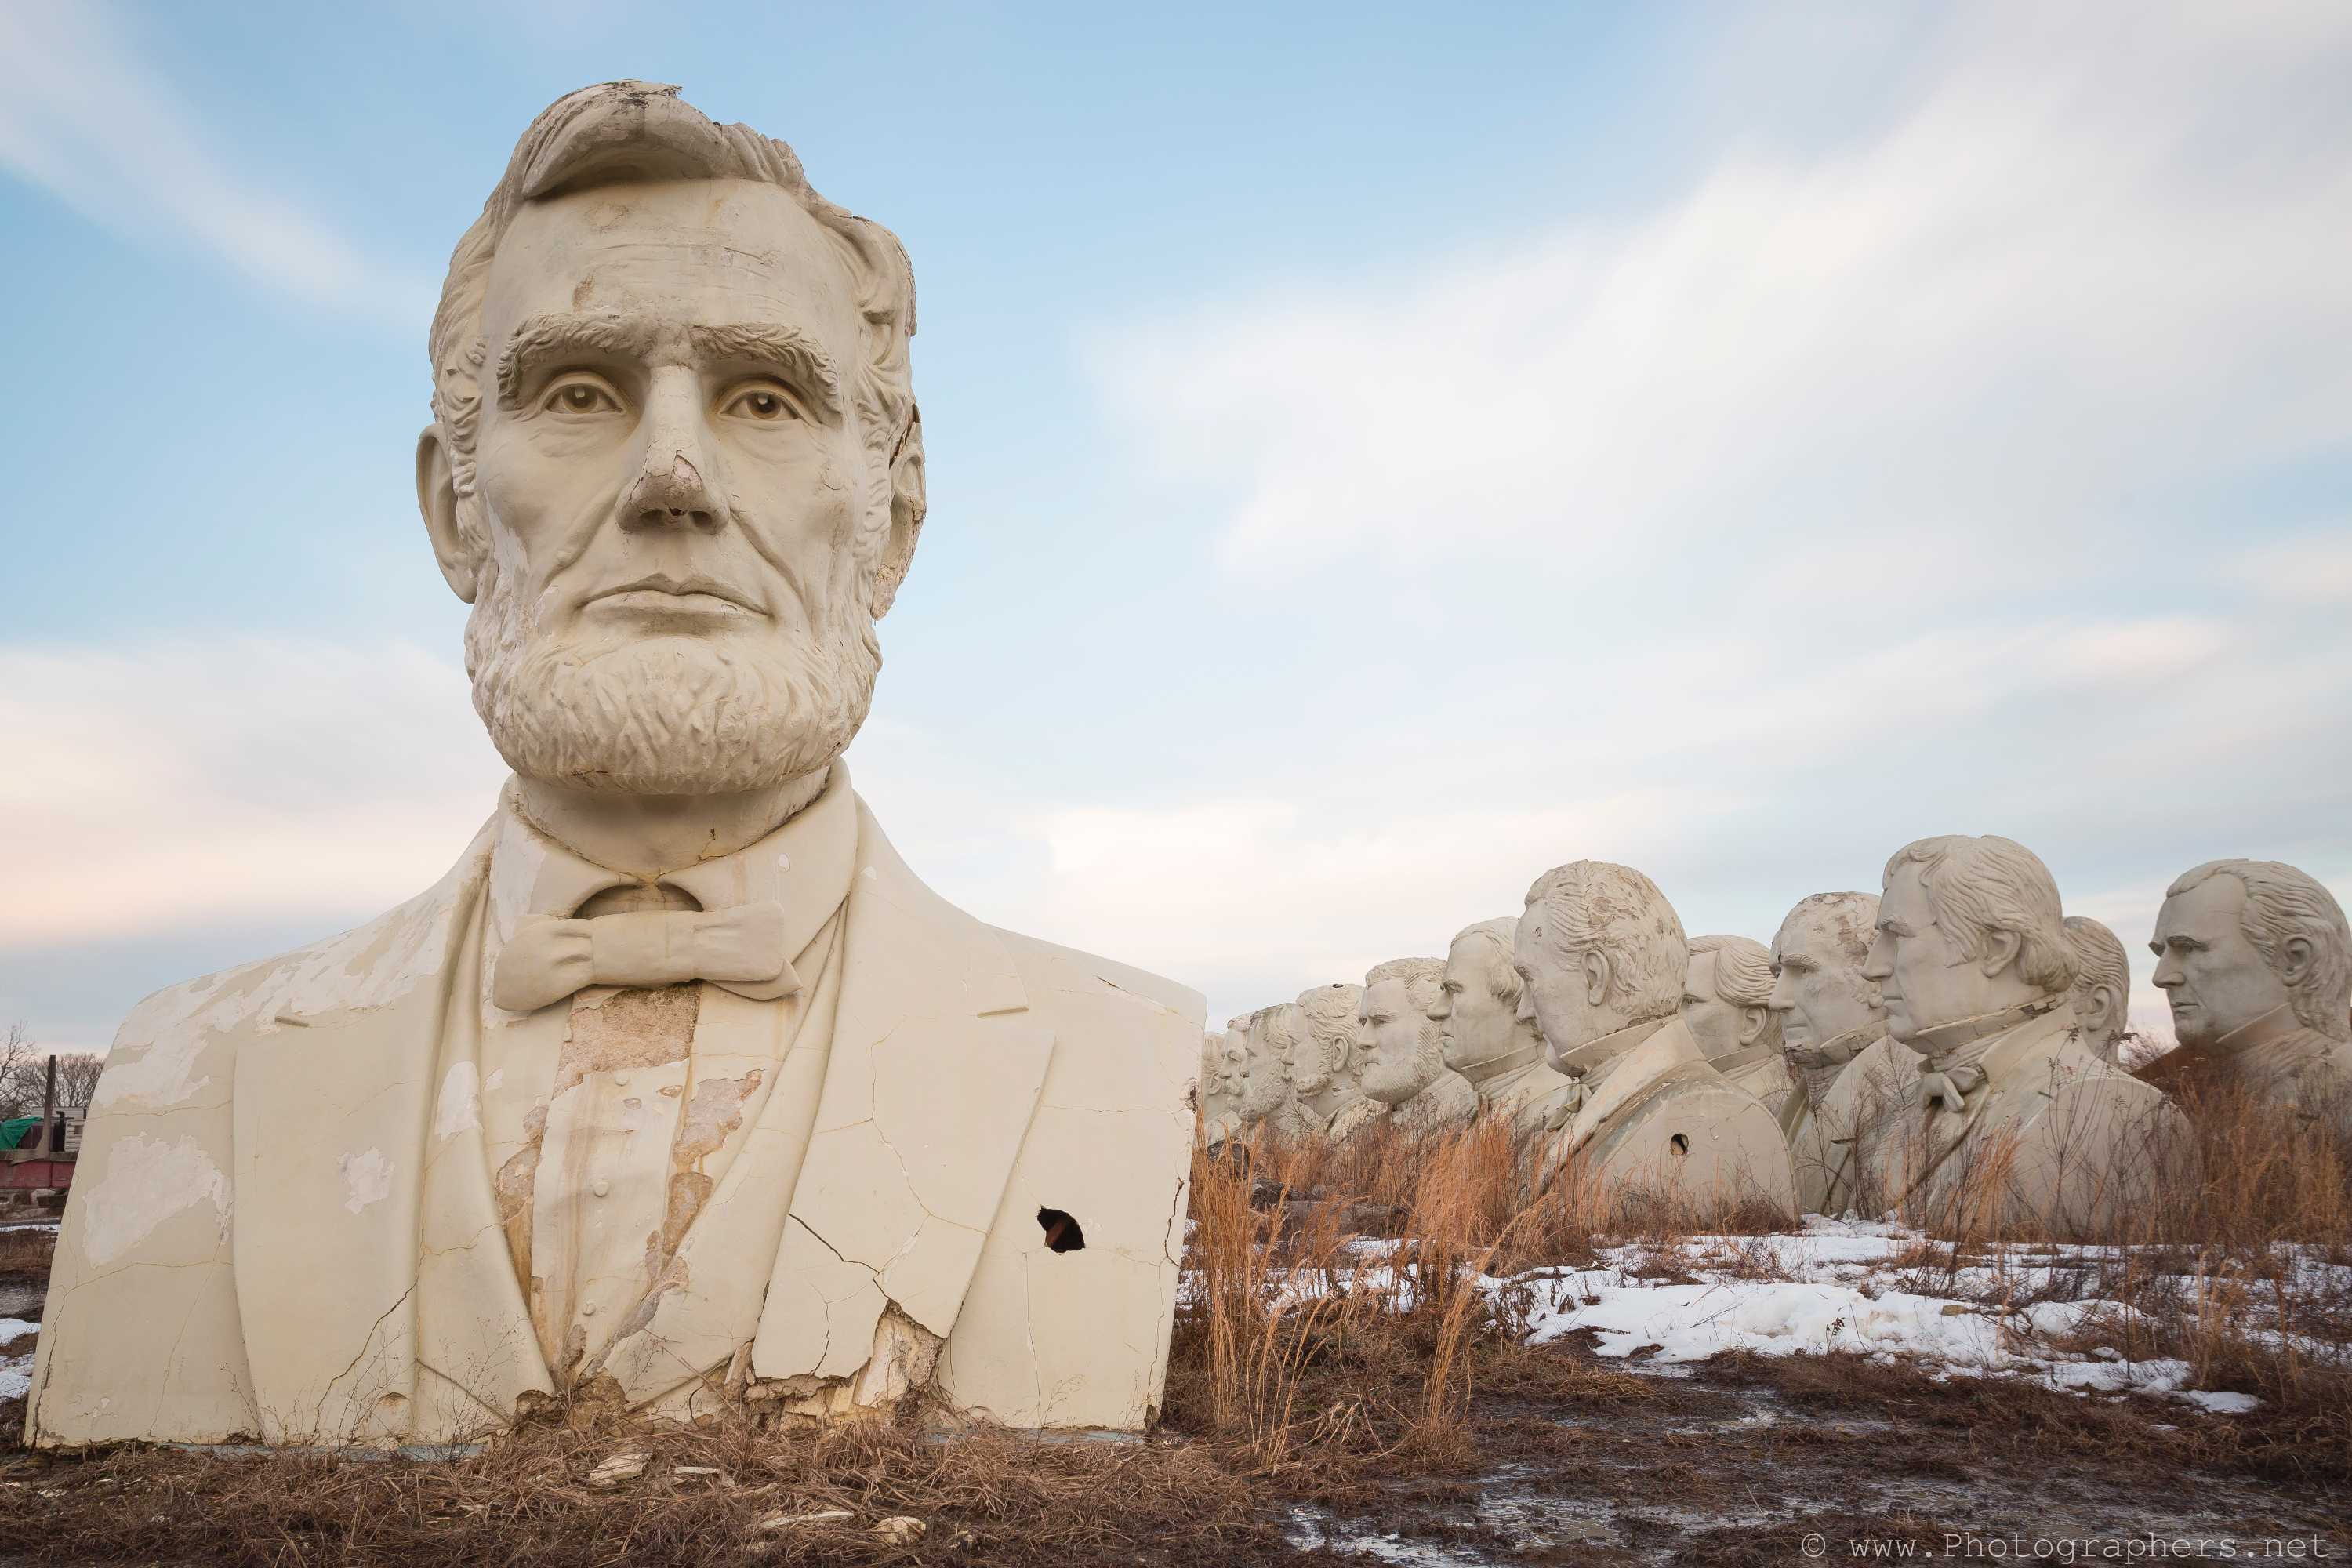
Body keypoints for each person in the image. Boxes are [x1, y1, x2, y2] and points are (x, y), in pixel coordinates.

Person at [34, 84, 1199, 1449]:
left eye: (765, 400)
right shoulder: (190, 1073)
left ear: (894, 515)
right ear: (454, 510)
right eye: (578, 393)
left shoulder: (1118, 1054)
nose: (673, 476)